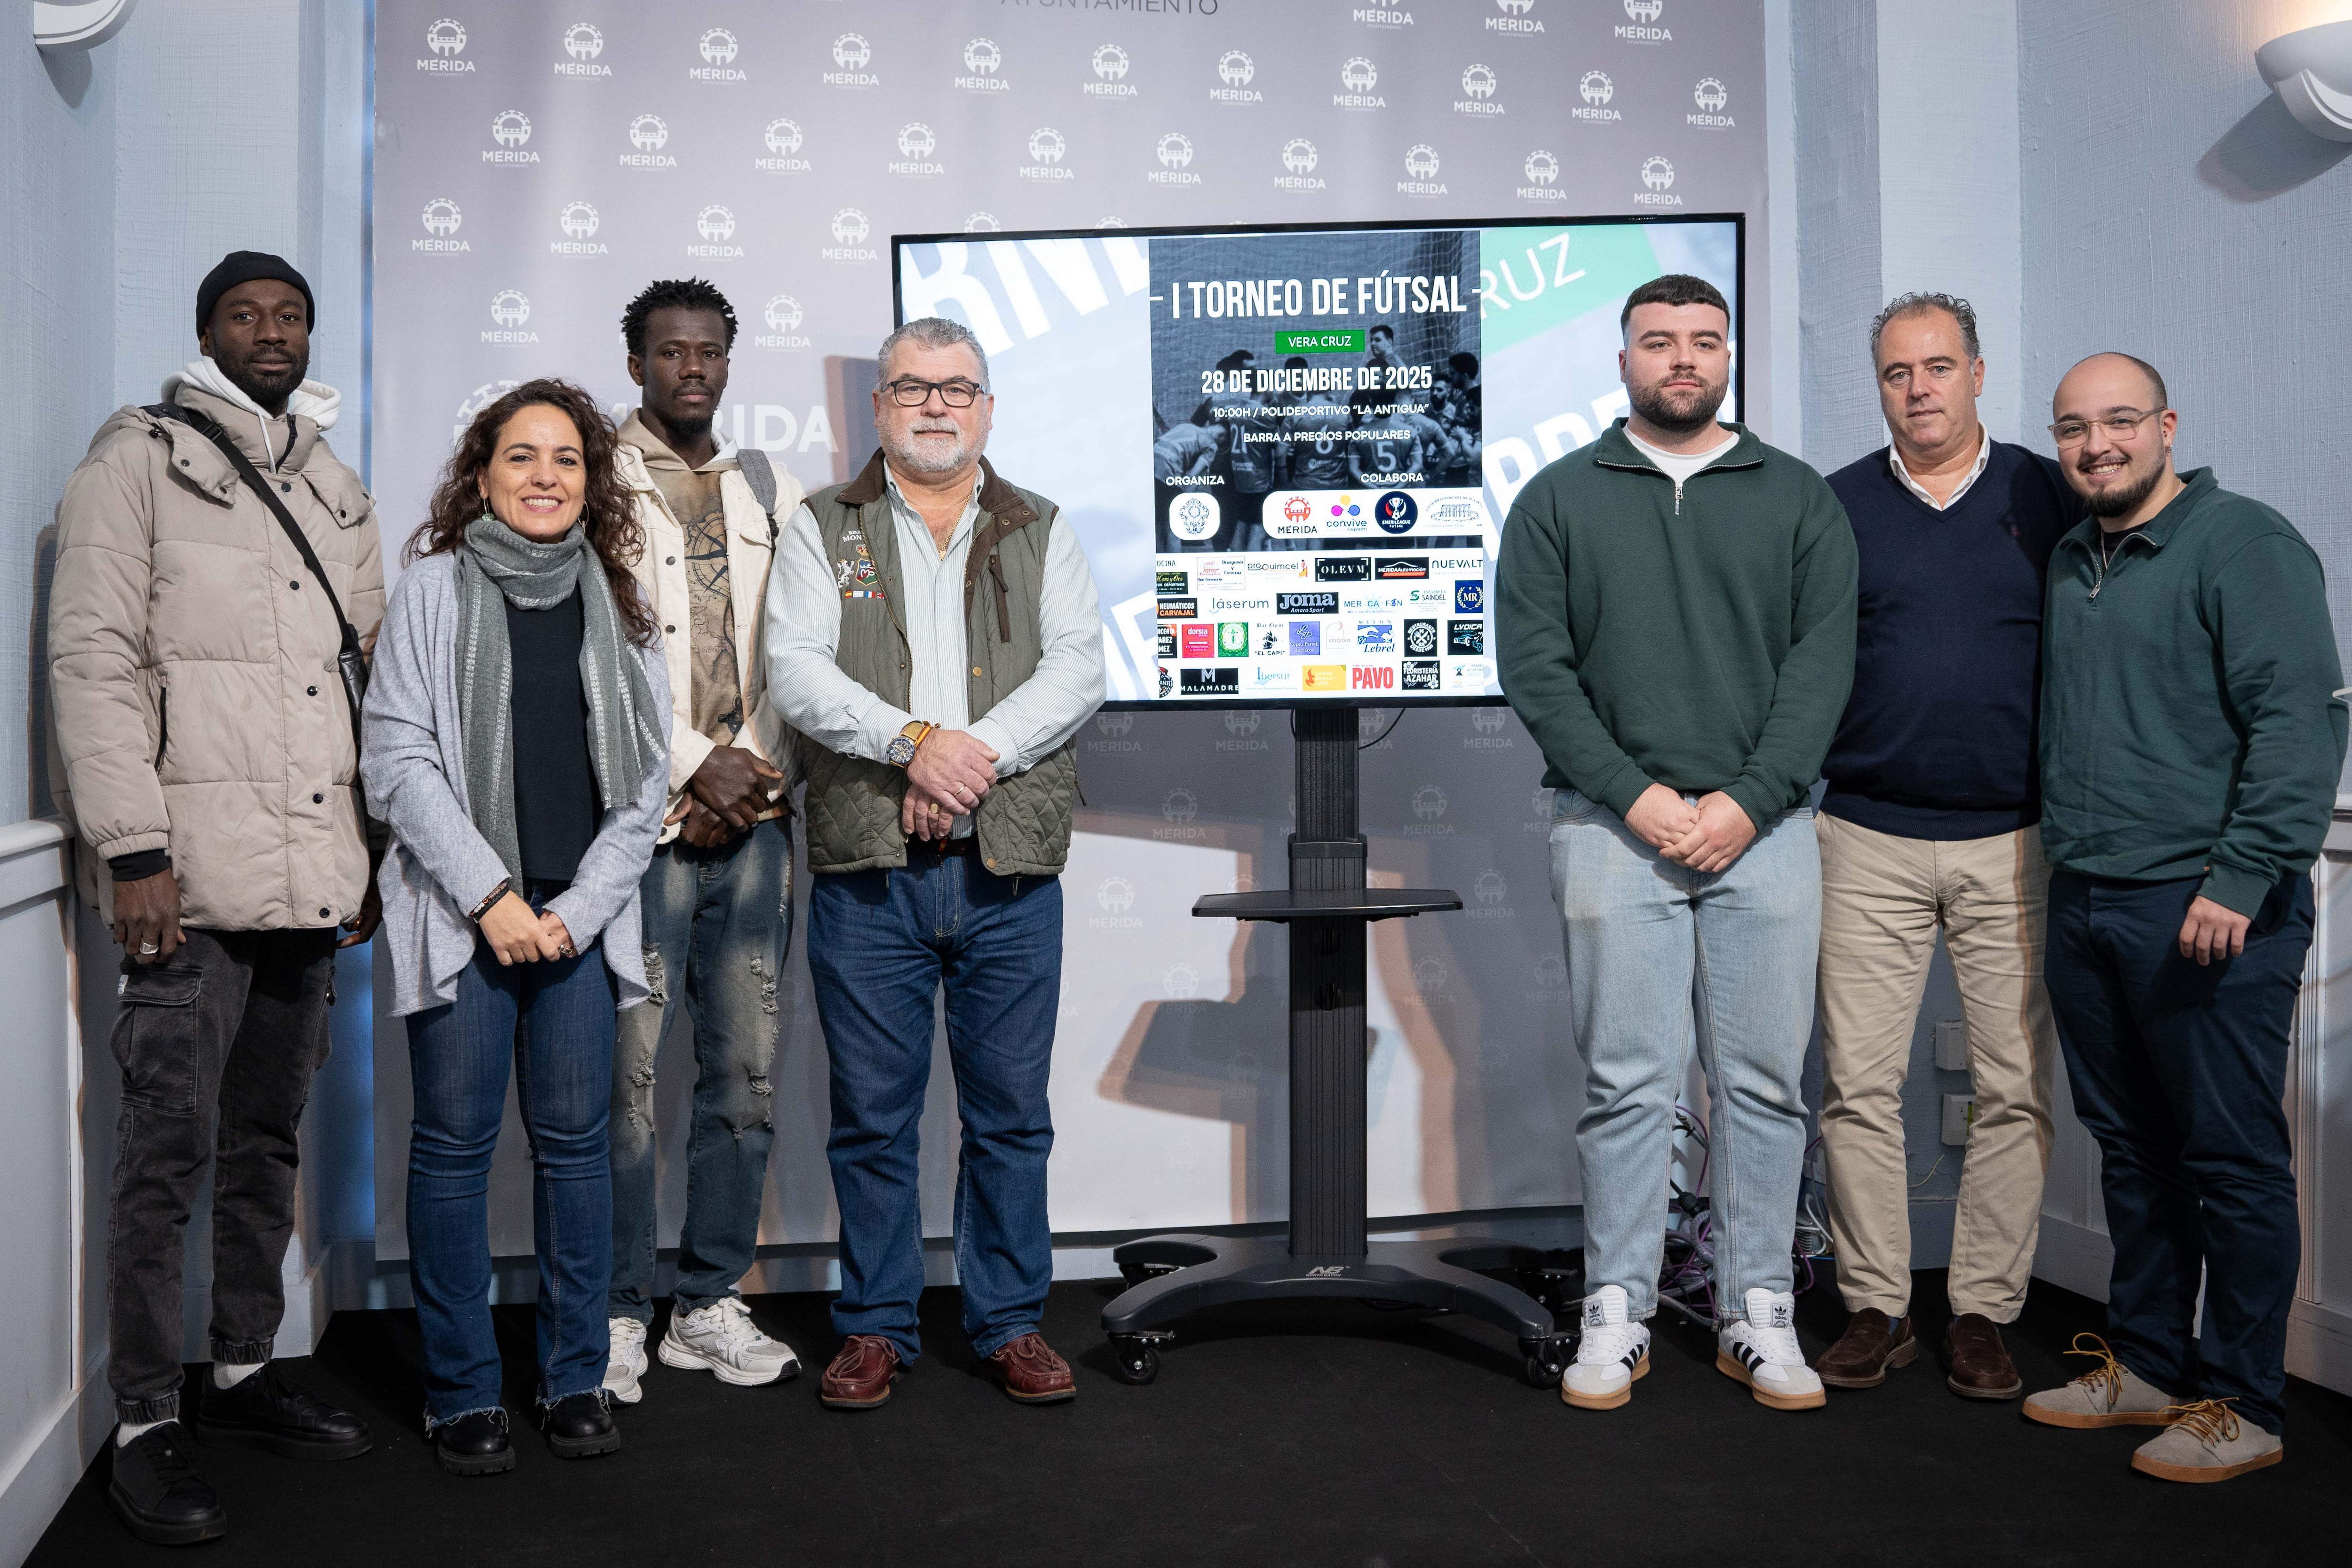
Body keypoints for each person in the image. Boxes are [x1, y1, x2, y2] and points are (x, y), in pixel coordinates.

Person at [51, 250, 379, 1546]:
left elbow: (364, 675)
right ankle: (143, 1413)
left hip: (310, 875)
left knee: (268, 1144)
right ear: (204, 333)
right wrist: (133, 845)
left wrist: (364, 850)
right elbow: (93, 657)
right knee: (161, 1158)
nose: (272, 333)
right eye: (247, 315)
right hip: (183, 886)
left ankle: (241, 1363)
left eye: (291, 316)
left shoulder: (331, 477)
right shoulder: (133, 458)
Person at [1496, 273, 1858, 1416]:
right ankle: (1617, 1306)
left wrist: (1748, 802)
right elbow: (1538, 671)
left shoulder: (1798, 499)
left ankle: (1759, 1309)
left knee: (1762, 1082)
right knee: (1626, 1083)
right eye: (1659, 343)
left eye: (1704, 342)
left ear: (1729, 355)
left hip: (1771, 830)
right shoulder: (1558, 498)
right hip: (1612, 829)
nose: (1683, 361)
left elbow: (1820, 670)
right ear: (1623, 362)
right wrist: (1634, 796)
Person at [765, 317, 1106, 1410]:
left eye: (958, 387)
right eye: (911, 386)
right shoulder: (827, 525)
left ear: (988, 408)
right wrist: (916, 744)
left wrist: (967, 758)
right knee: (872, 1114)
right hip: (871, 871)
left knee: (1010, 1115)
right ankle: (875, 1324)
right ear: (878, 407)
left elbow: (1078, 670)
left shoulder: (1041, 526)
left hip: (1009, 869)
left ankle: (1007, 1321)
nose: (935, 404)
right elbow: (799, 672)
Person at [2023, 353, 2344, 1482]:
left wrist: (2240, 877)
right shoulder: (2073, 553)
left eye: (2118, 421)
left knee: (2231, 1156)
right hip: (2089, 898)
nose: (2095, 443)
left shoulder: (2243, 545)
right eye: (2072, 426)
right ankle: (2150, 1361)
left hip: (2205, 904)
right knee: (2134, 1149)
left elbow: (2299, 727)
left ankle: (2243, 1398)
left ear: (2166, 426)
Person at [364, 379, 670, 1475]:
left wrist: (576, 913)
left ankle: (575, 1374)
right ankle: (461, 1389)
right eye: (521, 456)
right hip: (466, 917)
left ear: (593, 481)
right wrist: (493, 899)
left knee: (579, 1150)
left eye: (567, 459)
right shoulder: (432, 590)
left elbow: (645, 788)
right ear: (481, 474)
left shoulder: (622, 603)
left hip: (578, 924)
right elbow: (394, 758)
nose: (545, 476)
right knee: (452, 1151)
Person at [1810, 294, 2079, 1401]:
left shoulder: (2045, 492)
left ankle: (1980, 1311)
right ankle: (1876, 1303)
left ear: (1977, 372)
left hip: (2015, 838)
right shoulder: (1835, 506)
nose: (1917, 388)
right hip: (1863, 831)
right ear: (1877, 386)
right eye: (1895, 372)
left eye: (1936, 366)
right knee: (1859, 1087)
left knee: (2015, 1088)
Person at [602, 280, 806, 1405]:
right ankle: (621, 1310)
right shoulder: (592, 482)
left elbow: (791, 652)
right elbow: (598, 657)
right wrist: (692, 764)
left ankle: (708, 1300)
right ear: (634, 362)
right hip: (645, 827)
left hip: (757, 821)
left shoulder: (761, 483)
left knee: (745, 1074)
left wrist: (749, 772)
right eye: (671, 351)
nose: (693, 368)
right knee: (628, 1081)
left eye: (711, 352)